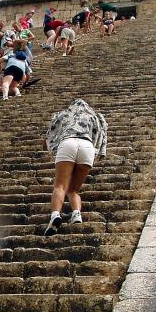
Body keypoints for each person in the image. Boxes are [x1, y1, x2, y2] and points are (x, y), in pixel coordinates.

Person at [43, 98, 107, 236]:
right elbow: (103, 131)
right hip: (87, 146)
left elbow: (51, 131)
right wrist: (101, 151)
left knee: (60, 186)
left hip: (68, 142)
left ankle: (55, 215)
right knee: (73, 190)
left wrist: (49, 146)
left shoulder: (64, 114)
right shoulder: (94, 116)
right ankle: (76, 214)